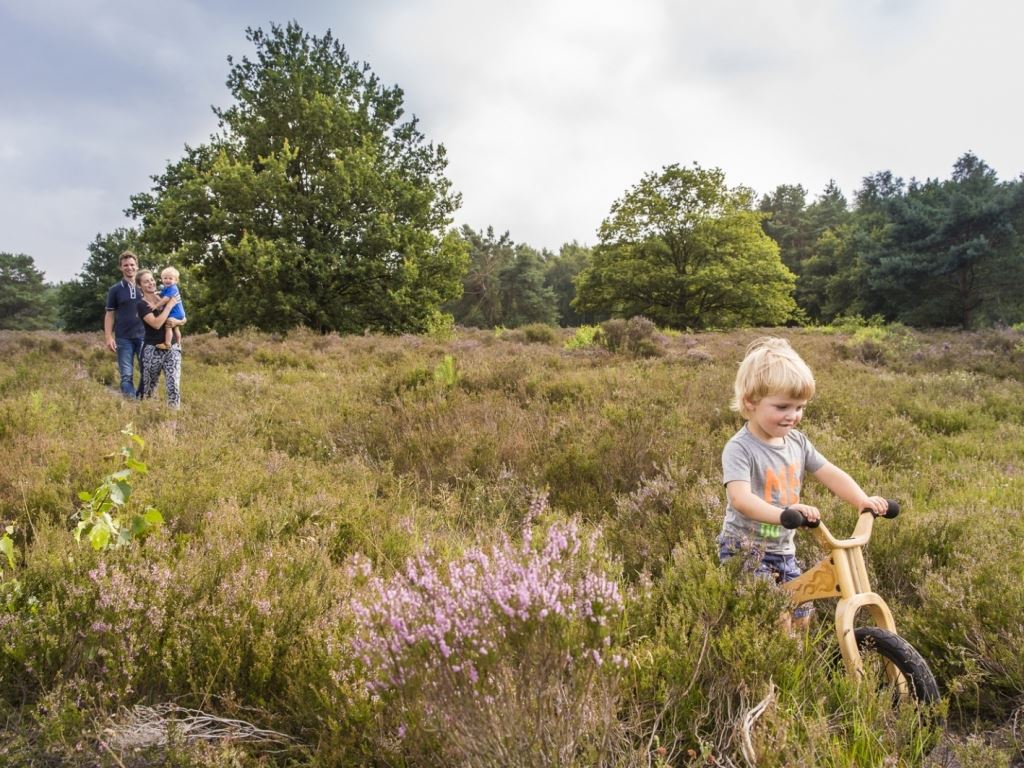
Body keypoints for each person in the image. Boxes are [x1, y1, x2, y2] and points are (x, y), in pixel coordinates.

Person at [718, 337, 888, 630]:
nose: (792, 416)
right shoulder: (740, 448)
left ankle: (793, 668)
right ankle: (767, 674)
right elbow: (740, 499)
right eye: (782, 406)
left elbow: (830, 472)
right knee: (775, 618)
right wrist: (784, 514)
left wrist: (862, 500)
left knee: (801, 619)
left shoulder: (797, 442)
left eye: (799, 407)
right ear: (750, 402)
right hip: (745, 548)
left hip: (783, 550)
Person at [136, 269, 182, 409]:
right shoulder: (141, 305)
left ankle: (173, 423)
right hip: (152, 350)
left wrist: (177, 322)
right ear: (140, 286)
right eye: (146, 281)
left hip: (172, 348)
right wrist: (169, 306)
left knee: (173, 386)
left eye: (151, 279)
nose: (151, 283)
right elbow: (156, 324)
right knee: (149, 389)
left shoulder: (164, 295)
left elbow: (183, 317)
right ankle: (147, 418)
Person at [103, 251, 145, 398]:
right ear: (120, 267)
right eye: (125, 265)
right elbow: (109, 314)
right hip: (123, 337)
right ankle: (133, 404)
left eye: (132, 265)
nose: (129, 267)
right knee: (126, 376)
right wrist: (108, 337)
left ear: (137, 266)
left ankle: (142, 400)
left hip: (144, 337)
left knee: (147, 371)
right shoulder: (115, 290)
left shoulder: (145, 287)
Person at [156, 266, 187, 350]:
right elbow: (162, 293)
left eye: (170, 278)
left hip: (176, 312)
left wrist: (156, 305)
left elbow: (165, 299)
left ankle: (167, 344)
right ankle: (178, 342)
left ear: (176, 280)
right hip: (179, 312)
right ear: (162, 279)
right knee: (176, 327)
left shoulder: (173, 288)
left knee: (168, 326)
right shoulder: (167, 288)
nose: (167, 280)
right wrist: (157, 293)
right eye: (165, 278)